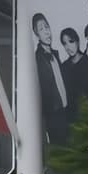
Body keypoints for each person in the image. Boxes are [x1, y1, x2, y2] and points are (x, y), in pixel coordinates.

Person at [32, 13, 69, 144]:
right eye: (41, 29)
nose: (46, 32)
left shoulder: (55, 54)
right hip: (53, 115)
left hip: (65, 112)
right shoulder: (37, 58)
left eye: (47, 27)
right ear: (36, 34)